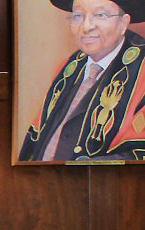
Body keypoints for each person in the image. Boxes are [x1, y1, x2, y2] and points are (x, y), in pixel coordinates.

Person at [18, 0, 145, 161]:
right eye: (78, 16)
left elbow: (138, 156)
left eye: (100, 15)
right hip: (45, 182)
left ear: (123, 23)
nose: (86, 27)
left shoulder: (141, 70)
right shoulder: (71, 66)